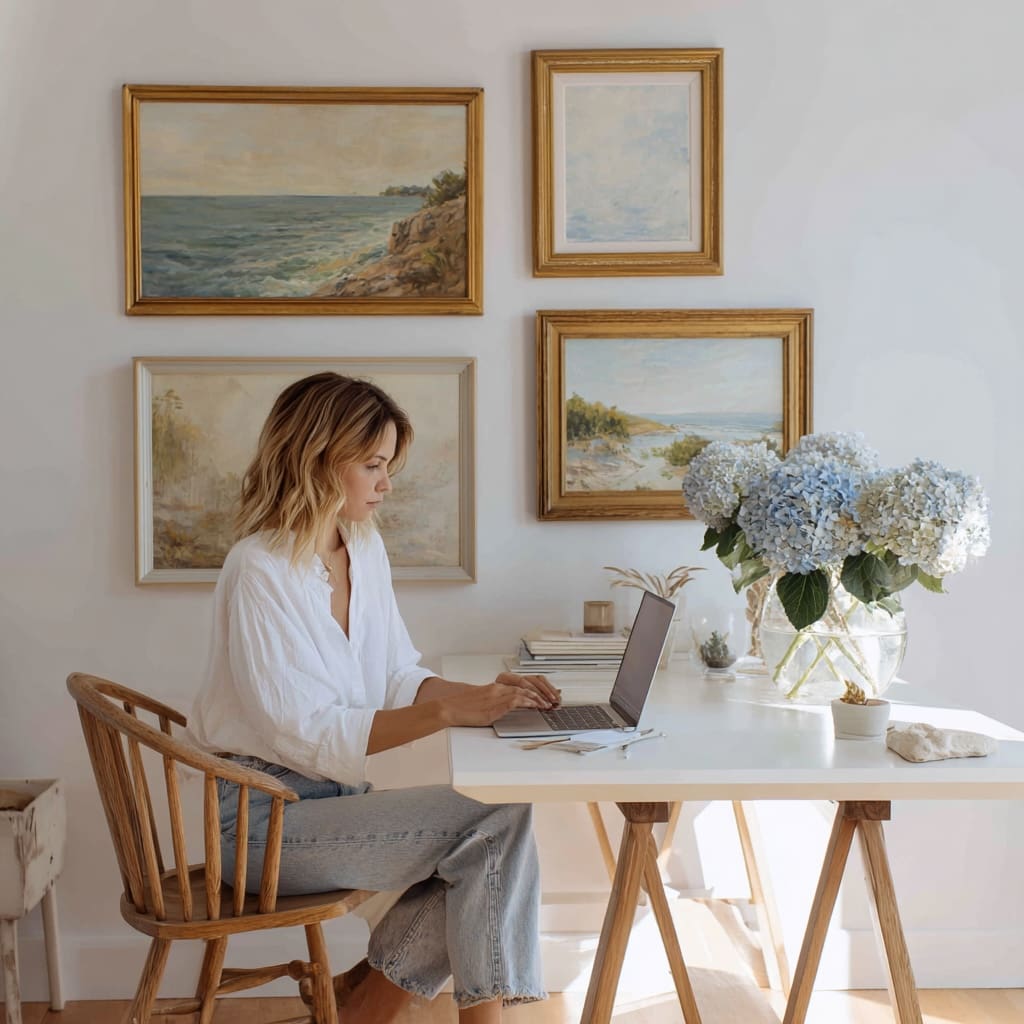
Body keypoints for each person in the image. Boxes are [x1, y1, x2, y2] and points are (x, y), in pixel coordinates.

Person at [188, 372, 559, 1023]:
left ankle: (364, 1006)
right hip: (259, 825)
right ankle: (386, 1005)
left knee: (488, 841)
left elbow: (395, 674)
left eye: (388, 465)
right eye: (373, 464)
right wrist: (447, 712)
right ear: (318, 458)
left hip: (336, 804)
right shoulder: (258, 569)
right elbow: (299, 731)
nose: (386, 483)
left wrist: (486, 696)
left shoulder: (361, 545)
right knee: (493, 824)